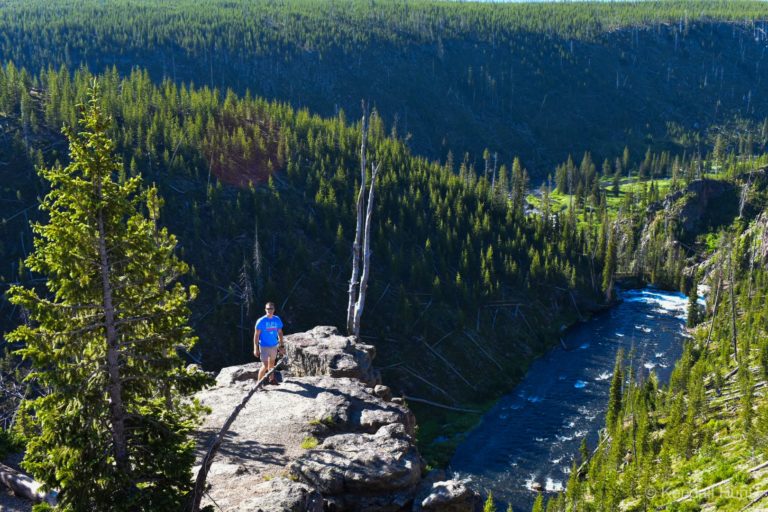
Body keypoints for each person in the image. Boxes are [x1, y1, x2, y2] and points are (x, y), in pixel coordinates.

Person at [253, 301, 284, 385]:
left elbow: (280, 333)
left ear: (274, 309)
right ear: (265, 309)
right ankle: (259, 384)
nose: (269, 310)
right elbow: (256, 335)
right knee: (265, 365)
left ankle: (272, 379)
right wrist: (255, 348)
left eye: (271, 308)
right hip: (264, 346)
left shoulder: (277, 319)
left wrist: (281, 345)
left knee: (272, 363)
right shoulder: (261, 321)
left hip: (274, 345)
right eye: (267, 308)